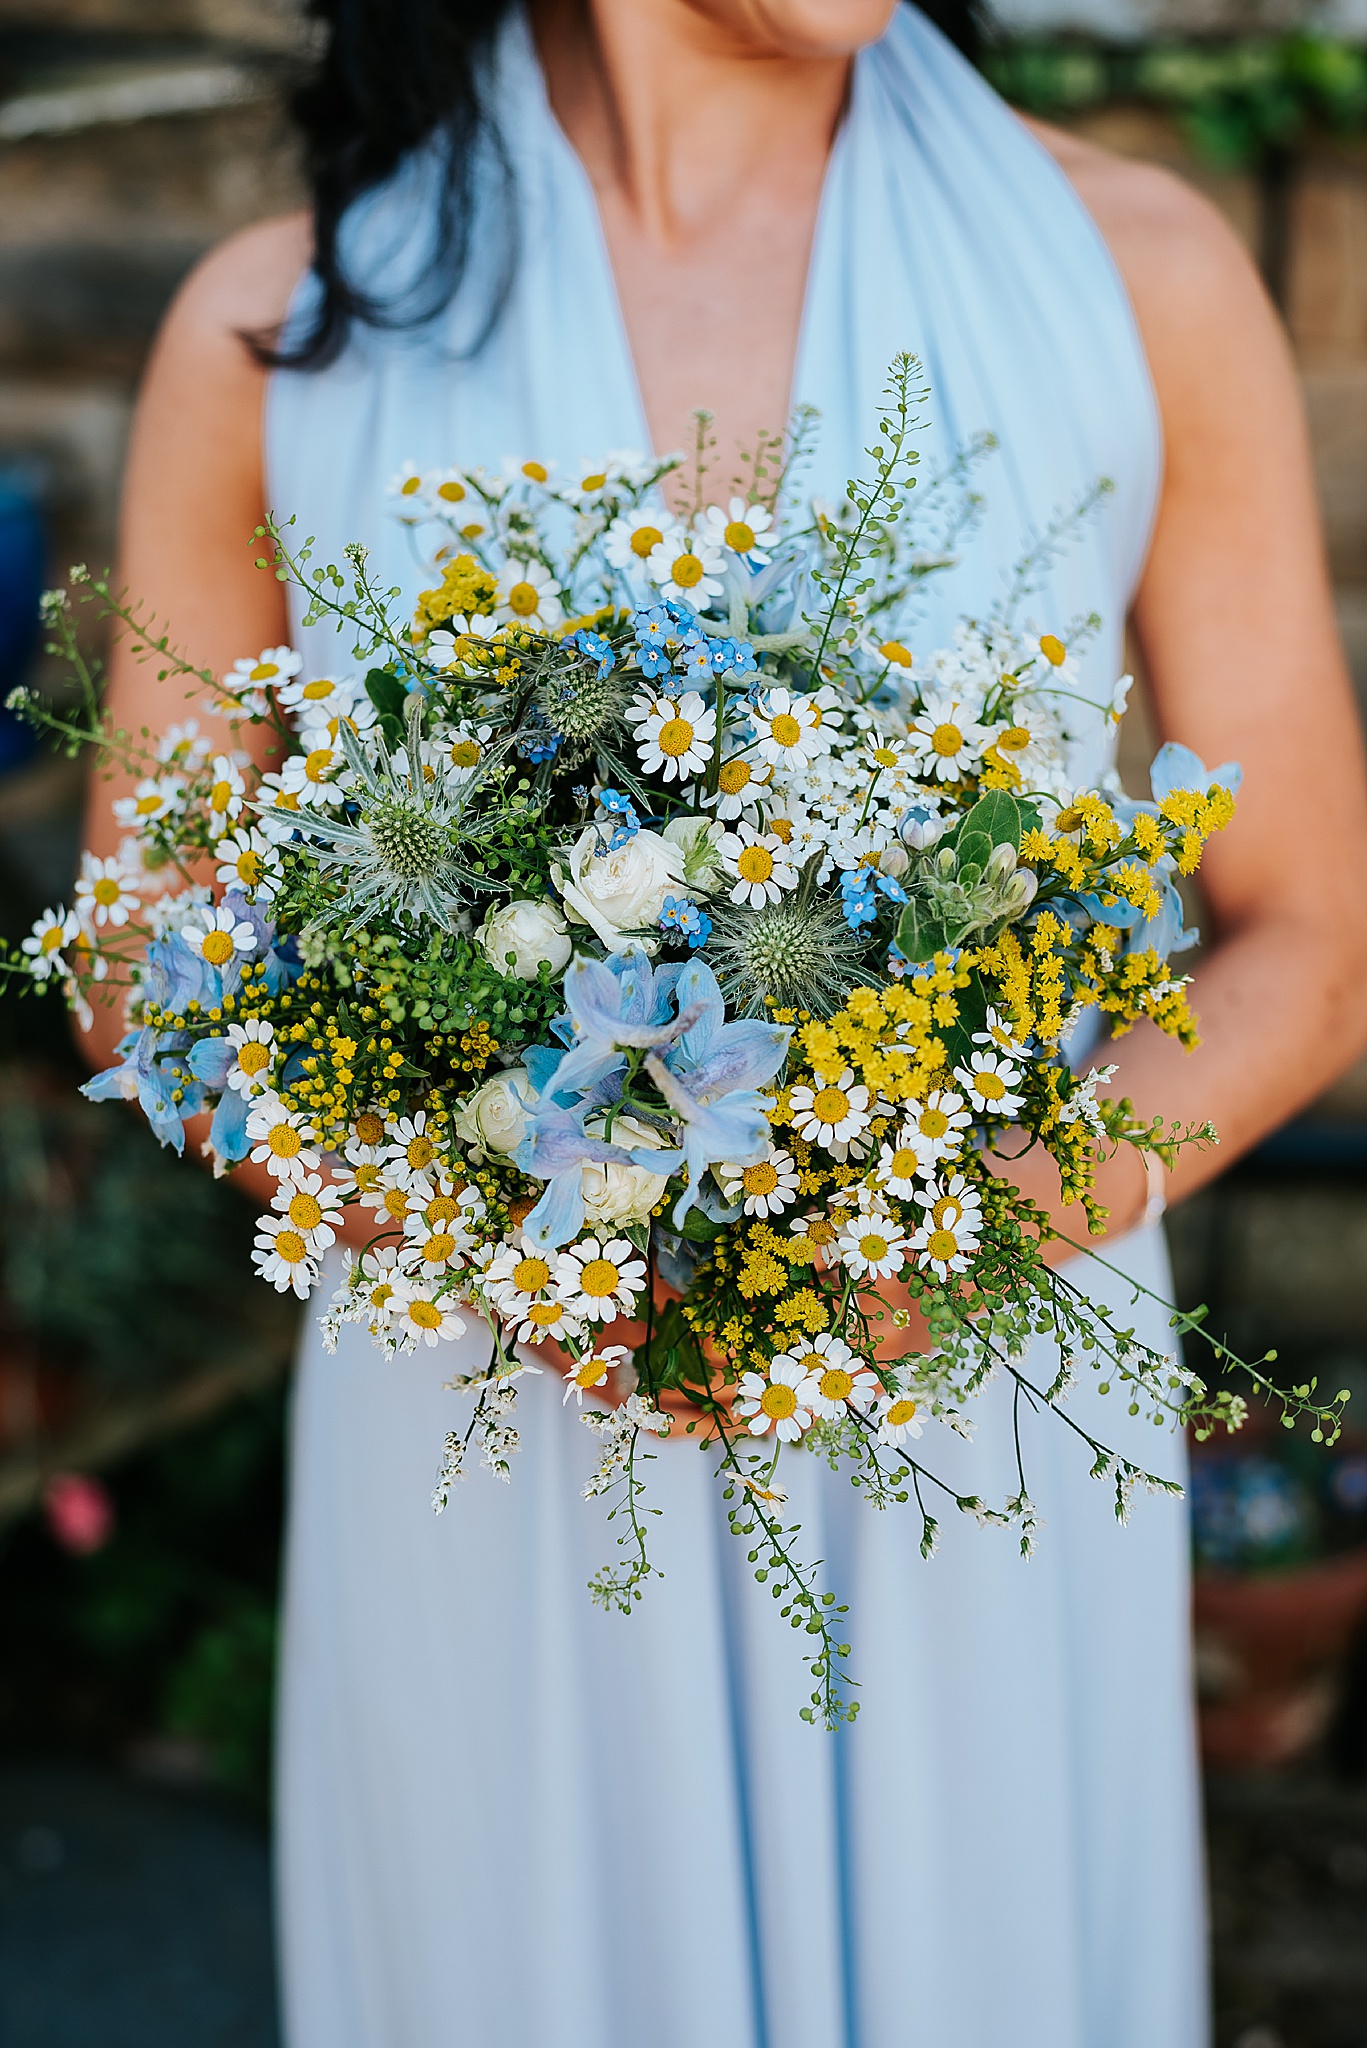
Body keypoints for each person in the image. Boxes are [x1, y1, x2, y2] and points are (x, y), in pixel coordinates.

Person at [82, 3, 1367, 2043]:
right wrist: (487, 1213)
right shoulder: (281, 340)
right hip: (489, 1449)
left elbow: (1311, 936)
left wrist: (945, 1236)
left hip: (969, 1439)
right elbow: (144, 952)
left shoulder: (1135, 275)